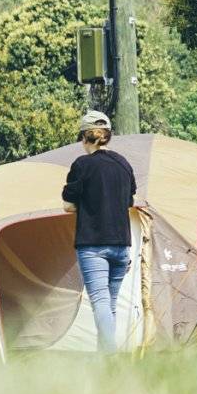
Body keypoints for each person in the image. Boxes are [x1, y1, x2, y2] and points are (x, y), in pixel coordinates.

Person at [61, 110, 136, 353]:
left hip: (93, 245)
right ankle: (104, 361)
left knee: (101, 302)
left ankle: (112, 357)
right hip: (122, 244)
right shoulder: (124, 164)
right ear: (107, 136)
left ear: (84, 137)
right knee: (109, 305)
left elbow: (68, 204)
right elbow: (129, 201)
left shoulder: (82, 165)